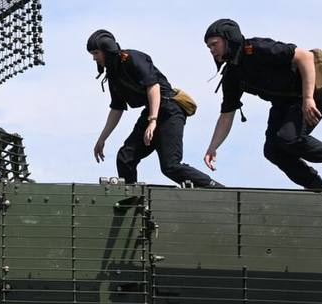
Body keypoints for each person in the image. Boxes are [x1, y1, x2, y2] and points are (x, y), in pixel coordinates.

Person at [202, 19, 322, 192]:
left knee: (288, 138)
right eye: (209, 47)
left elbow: (305, 56)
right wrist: (212, 147)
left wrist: (308, 98)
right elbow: (227, 114)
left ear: (229, 39)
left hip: (308, 95)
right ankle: (316, 188)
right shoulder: (232, 75)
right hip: (283, 104)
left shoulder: (256, 48)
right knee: (272, 150)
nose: (212, 50)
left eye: (214, 44)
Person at [88, 29, 222, 188]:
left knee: (170, 166)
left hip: (169, 109)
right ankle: (132, 199)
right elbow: (117, 108)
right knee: (125, 157)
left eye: (96, 53)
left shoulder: (132, 58)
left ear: (107, 50)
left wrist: (152, 121)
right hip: (152, 110)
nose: (94, 58)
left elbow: (153, 86)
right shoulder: (114, 75)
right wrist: (102, 138)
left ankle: (216, 189)